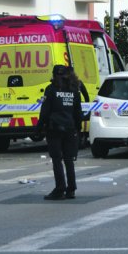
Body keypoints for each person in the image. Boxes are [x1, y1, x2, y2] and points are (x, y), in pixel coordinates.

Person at [37, 65, 83, 200]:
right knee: (69, 159)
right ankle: (71, 189)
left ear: (53, 75)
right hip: (70, 128)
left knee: (57, 159)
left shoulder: (51, 89)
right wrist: (78, 129)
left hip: (54, 129)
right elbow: (78, 112)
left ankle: (60, 189)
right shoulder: (74, 90)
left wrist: (38, 127)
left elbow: (45, 111)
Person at [66, 66, 91, 149]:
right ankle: (78, 142)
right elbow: (86, 95)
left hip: (67, 108)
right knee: (77, 125)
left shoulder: (63, 83)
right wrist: (86, 106)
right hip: (77, 107)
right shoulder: (78, 82)